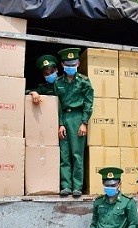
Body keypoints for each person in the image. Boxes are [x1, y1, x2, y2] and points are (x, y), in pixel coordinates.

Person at [54, 47, 94, 197]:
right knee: (64, 154)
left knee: (77, 154)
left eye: (73, 64)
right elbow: (57, 104)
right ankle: (66, 186)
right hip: (64, 117)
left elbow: (89, 102)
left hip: (78, 118)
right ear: (63, 65)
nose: (70, 67)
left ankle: (77, 187)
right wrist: (60, 124)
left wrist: (84, 122)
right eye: (67, 65)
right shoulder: (58, 83)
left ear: (78, 63)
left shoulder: (84, 81)